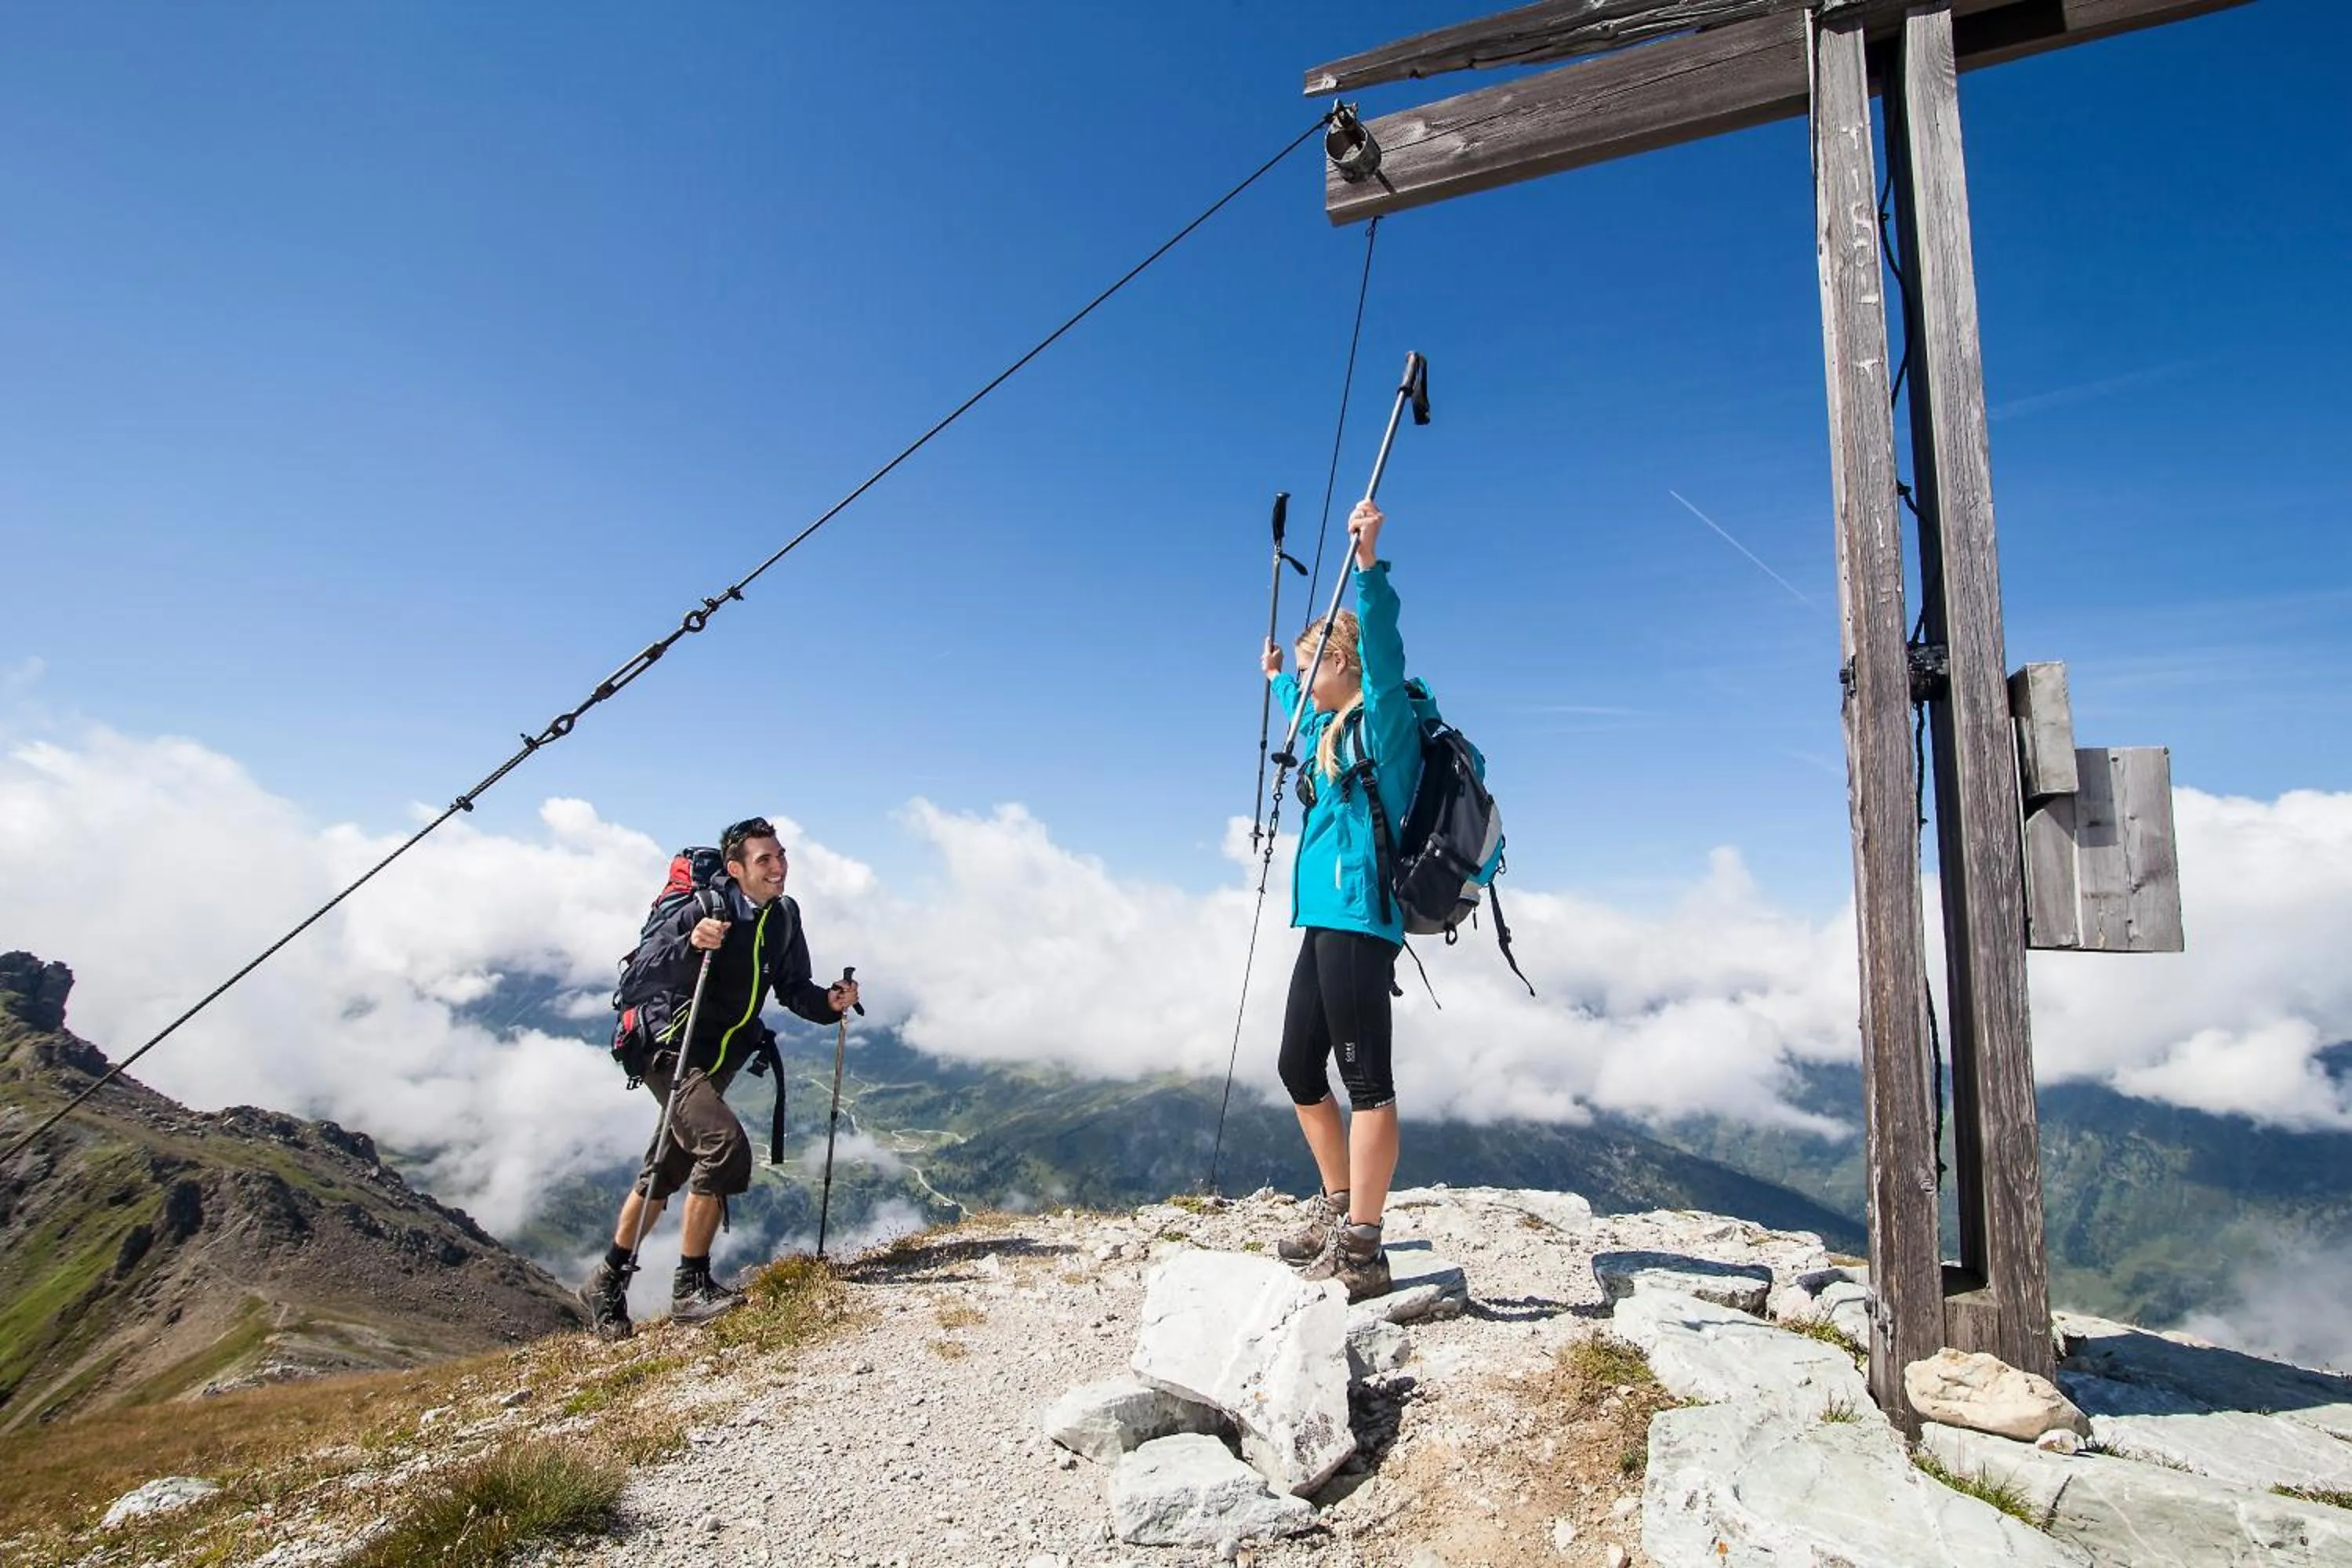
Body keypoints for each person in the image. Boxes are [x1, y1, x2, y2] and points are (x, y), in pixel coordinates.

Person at [578, 817, 860, 1338]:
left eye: (781, 855)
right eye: (765, 859)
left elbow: (792, 987)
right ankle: (691, 1288)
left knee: (666, 1167)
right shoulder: (705, 909)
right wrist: (691, 943)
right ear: (735, 869)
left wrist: (828, 1003)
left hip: (721, 1055)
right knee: (723, 1145)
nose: (778, 867)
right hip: (669, 1047)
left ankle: (606, 1281)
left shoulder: (784, 915)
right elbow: (637, 979)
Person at [1258, 499, 1420, 1302]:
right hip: (1324, 918)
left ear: (1344, 663)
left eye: (1311, 662)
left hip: (1360, 918)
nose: (1304, 676)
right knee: (1298, 1065)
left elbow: (1383, 653)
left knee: (1366, 1081)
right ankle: (1335, 1205)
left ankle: (1364, 1245)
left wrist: (1368, 566)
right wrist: (1279, 678)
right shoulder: (1327, 731)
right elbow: (1299, 702)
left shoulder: (1383, 722)